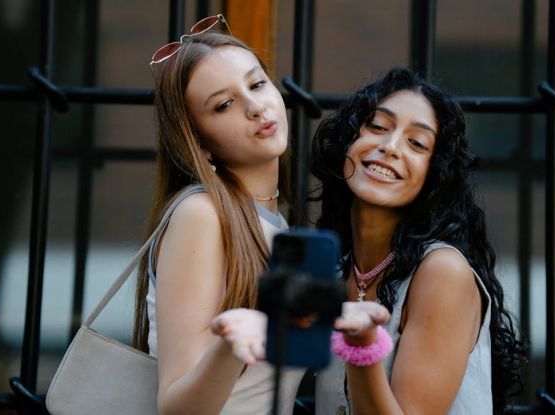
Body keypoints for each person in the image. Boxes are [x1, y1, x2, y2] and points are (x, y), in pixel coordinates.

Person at [311, 67, 525, 414]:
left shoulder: (442, 272)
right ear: (348, 140)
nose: (390, 147)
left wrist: (363, 347)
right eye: (377, 126)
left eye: (417, 143)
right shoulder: (336, 269)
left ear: (434, 174)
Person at [132, 15, 304, 415]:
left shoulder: (276, 221)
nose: (255, 107)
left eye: (257, 84)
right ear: (199, 142)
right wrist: (233, 344)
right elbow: (177, 406)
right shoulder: (202, 215)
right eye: (224, 105)